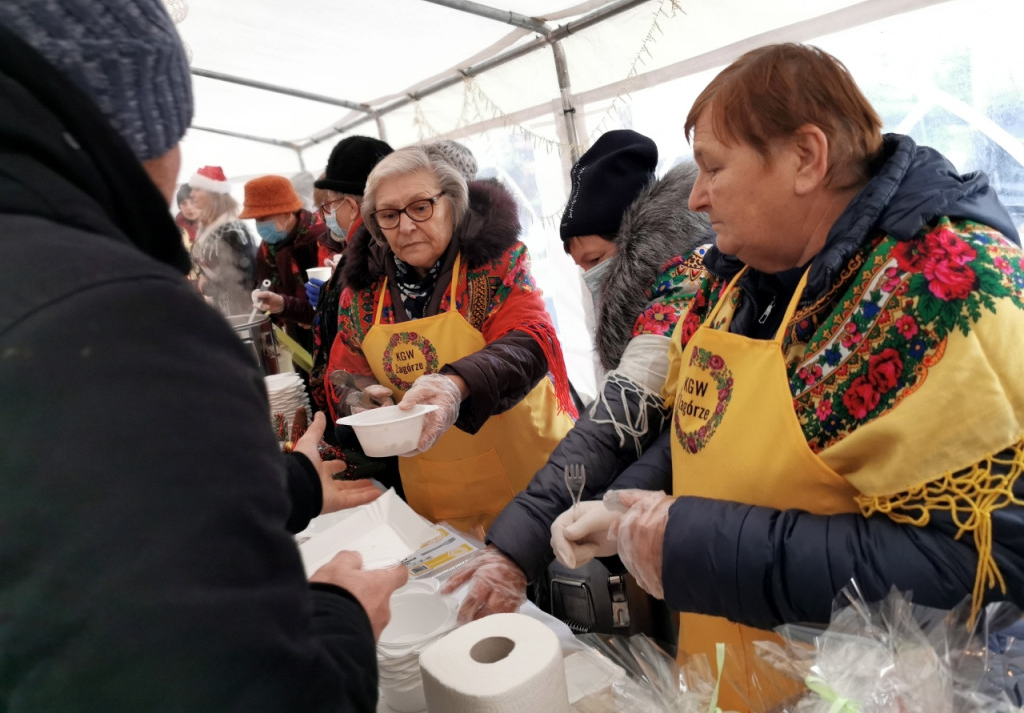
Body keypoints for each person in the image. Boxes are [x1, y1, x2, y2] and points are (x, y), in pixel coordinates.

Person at [552, 43, 1024, 711]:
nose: (697, 196)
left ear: (806, 158)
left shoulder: (943, 288)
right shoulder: (742, 275)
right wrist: (626, 511)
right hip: (729, 670)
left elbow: (985, 565)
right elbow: (703, 427)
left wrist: (691, 545)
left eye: (714, 167)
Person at [0, 0, 406, 710]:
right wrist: (343, 613)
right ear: (135, 122)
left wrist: (291, 486)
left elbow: (80, 515)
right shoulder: (116, 317)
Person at [446, 130, 713, 622]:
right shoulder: (657, 284)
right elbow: (667, 436)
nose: (587, 277)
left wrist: (515, 547)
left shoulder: (687, 284)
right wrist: (615, 505)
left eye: (593, 261)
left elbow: (620, 421)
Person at [325, 144, 578, 534]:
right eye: (390, 215)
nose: (406, 226)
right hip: (435, 491)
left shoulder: (494, 266)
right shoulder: (362, 294)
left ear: (453, 203)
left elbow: (528, 339)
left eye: (421, 207)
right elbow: (344, 370)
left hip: (530, 476)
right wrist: (359, 399)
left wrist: (455, 384)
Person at [308, 136, 394, 417]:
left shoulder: (368, 257)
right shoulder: (363, 253)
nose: (328, 215)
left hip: (380, 414)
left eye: (329, 206)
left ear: (351, 205)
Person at [244, 174, 326, 355]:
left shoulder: (318, 238)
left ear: (288, 212)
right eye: (256, 219)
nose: (260, 225)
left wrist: (306, 314)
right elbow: (265, 282)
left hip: (325, 334)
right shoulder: (267, 248)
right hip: (295, 331)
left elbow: (326, 297)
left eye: (264, 218)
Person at [189, 164, 258, 317]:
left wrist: (208, 286)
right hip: (223, 306)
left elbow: (246, 274)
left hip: (241, 309)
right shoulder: (209, 229)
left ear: (214, 194)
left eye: (198, 189)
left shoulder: (233, 230)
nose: (192, 194)